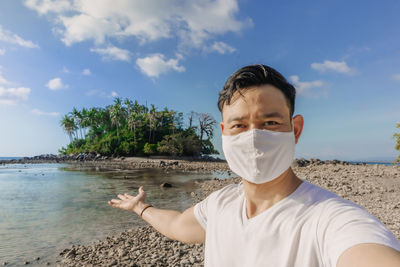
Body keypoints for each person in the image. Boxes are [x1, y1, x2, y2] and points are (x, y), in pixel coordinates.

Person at [108, 64, 400, 267]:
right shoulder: (220, 204)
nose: (253, 137)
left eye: (270, 123)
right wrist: (139, 208)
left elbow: (367, 251)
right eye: (239, 125)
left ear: (295, 130)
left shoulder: (329, 219)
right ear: (224, 132)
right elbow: (176, 225)